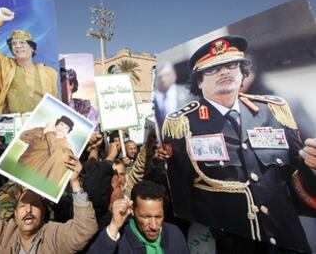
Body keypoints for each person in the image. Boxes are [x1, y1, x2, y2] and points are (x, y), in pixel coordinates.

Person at [162, 35, 316, 253]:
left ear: (243, 71)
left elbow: (297, 183)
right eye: (213, 69)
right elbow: (182, 201)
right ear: (198, 81)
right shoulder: (182, 125)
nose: (224, 72)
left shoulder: (273, 110)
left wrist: (311, 165)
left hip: (289, 241)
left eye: (231, 65)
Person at [0, 147, 98, 253]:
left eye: (35, 205)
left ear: (44, 212)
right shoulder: (2, 235)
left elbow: (84, 229)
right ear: (14, 214)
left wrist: (74, 182)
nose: (28, 210)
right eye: (22, 205)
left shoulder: (54, 235)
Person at [0, 7, 58, 115]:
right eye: (14, 43)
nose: (18, 46)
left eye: (22, 43)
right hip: (9, 127)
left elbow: (54, 104)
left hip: (39, 125)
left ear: (32, 48)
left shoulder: (49, 72)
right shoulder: (1, 66)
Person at [88, 180, 189, 254]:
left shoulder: (174, 234)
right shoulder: (121, 241)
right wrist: (114, 227)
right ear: (132, 209)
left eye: (158, 216)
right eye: (146, 217)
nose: (154, 226)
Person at [18, 116, 76, 184]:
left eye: (66, 127)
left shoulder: (66, 147)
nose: (62, 128)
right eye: (61, 124)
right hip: (19, 170)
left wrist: (50, 133)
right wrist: (42, 131)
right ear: (56, 124)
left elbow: (55, 154)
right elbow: (23, 136)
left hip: (34, 181)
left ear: (68, 131)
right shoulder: (44, 132)